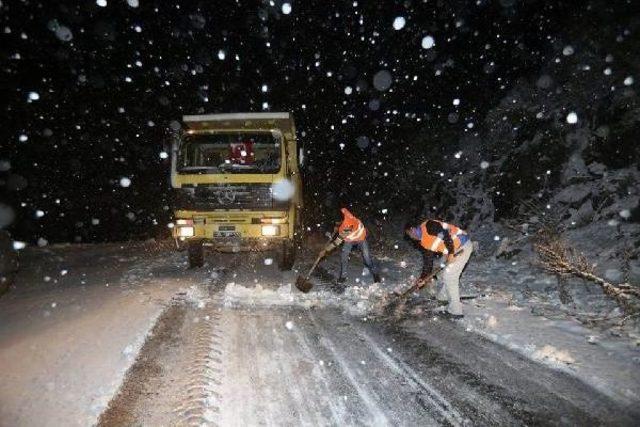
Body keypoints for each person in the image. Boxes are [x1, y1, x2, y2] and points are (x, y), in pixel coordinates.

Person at [404, 219, 473, 319]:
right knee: (442, 274)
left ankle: (456, 311)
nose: (410, 237)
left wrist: (451, 253)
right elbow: (428, 262)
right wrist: (423, 278)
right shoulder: (423, 242)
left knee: (450, 276)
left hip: (462, 247)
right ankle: (443, 296)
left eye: (409, 234)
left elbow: (445, 234)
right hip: (451, 250)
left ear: (412, 229)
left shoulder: (429, 226)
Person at [325, 208, 381, 285]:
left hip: (361, 238)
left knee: (367, 259)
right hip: (349, 240)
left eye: (338, 222)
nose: (336, 223)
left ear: (342, 221)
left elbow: (337, 242)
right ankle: (343, 276)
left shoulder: (348, 226)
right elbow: (342, 211)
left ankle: (375, 273)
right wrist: (337, 226)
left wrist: (326, 249)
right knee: (344, 256)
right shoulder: (345, 213)